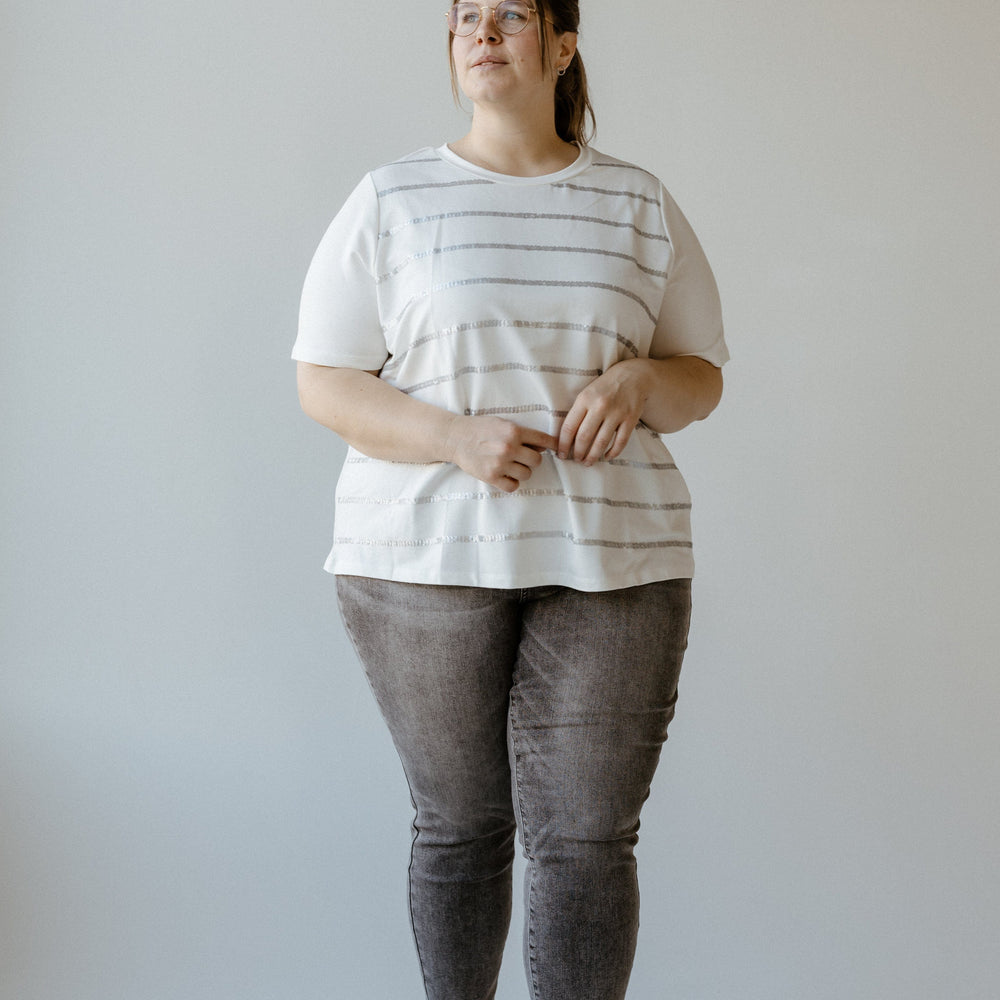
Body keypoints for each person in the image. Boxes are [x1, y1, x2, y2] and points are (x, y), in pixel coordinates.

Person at [292, 2, 728, 997]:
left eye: (512, 16)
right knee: (460, 826)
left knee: (585, 842)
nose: (483, 33)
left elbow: (698, 373)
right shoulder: (392, 198)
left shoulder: (634, 201)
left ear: (563, 45)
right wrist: (452, 438)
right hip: (421, 561)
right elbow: (324, 380)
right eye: (465, 18)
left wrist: (634, 386)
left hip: (615, 561)